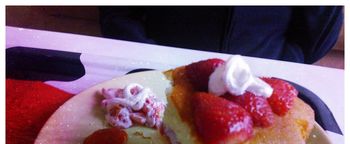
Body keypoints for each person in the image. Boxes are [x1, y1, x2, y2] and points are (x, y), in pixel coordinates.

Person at [99, 6, 343, 64]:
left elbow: (316, 35)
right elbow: (118, 15)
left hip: (267, 71)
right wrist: (152, 58)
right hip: (160, 66)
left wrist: (283, 62)